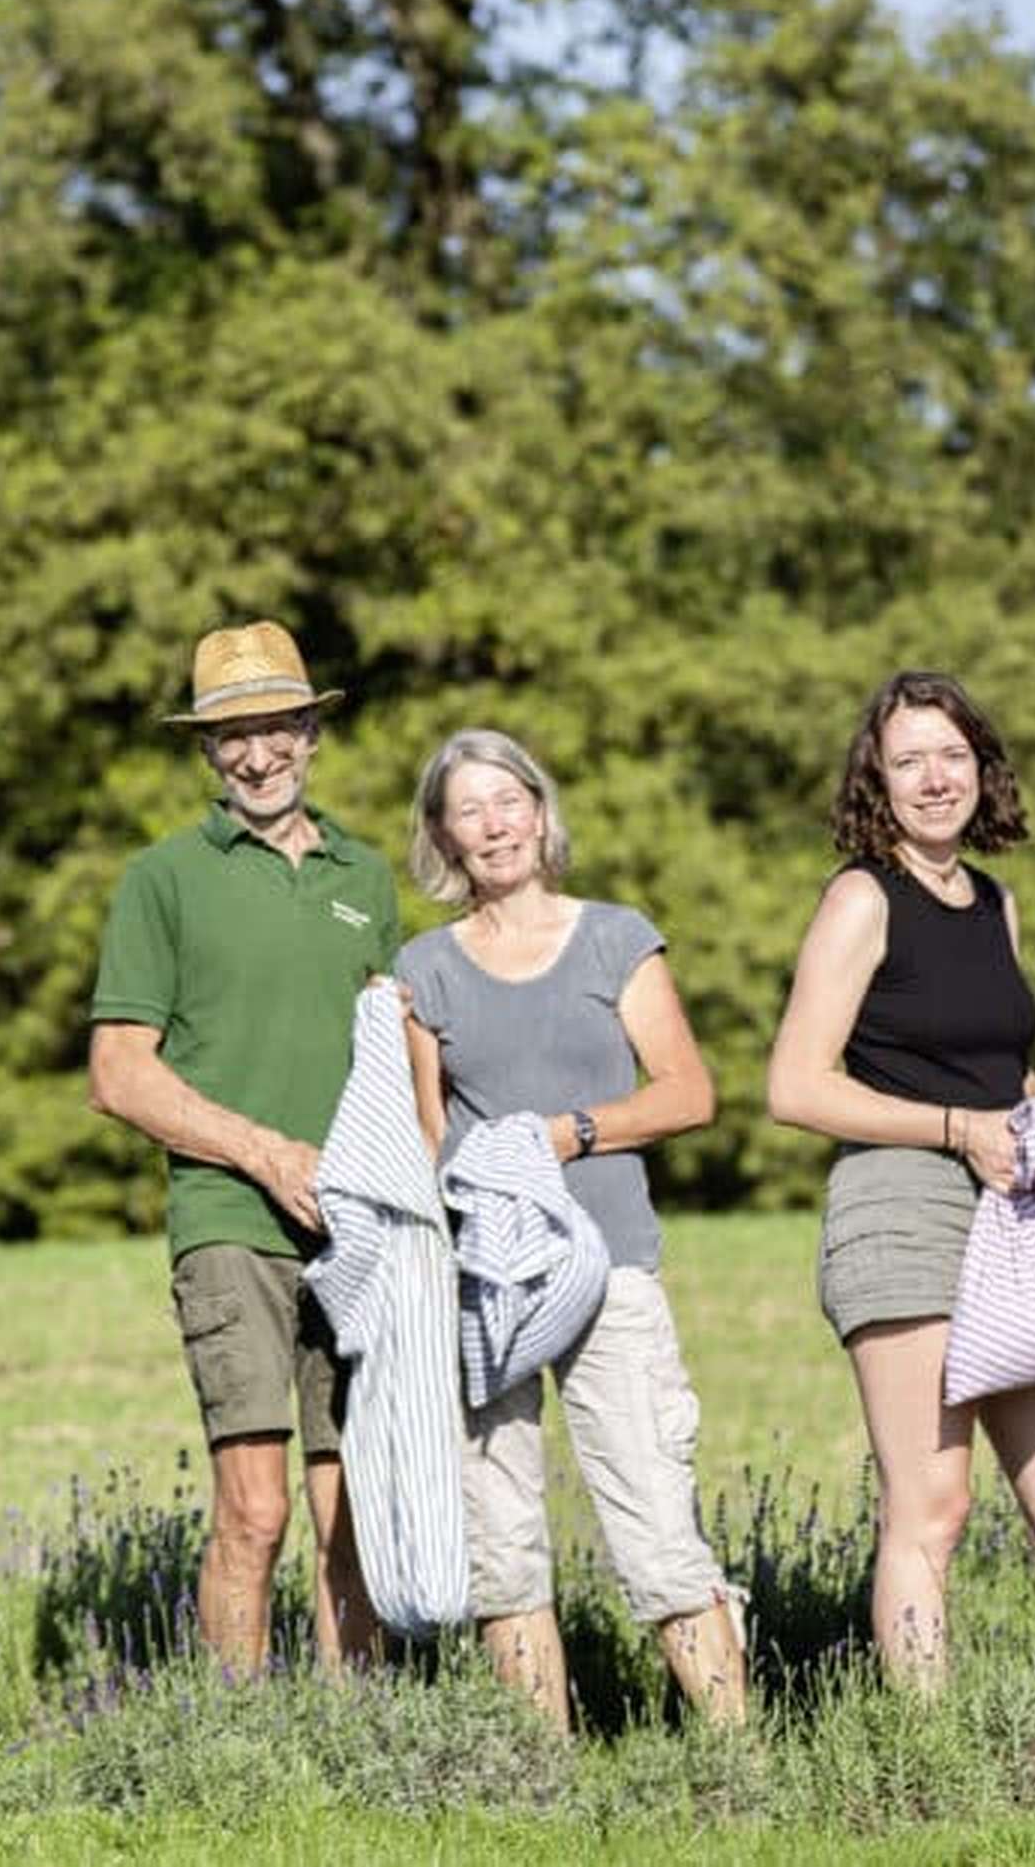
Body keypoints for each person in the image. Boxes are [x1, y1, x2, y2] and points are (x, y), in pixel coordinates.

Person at [766, 671, 1035, 1688]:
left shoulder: (993, 904)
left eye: (953, 756)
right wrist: (958, 1127)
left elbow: (992, 1064)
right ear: (876, 778)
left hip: (1005, 1217)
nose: (935, 779)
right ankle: (934, 1768)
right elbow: (795, 1085)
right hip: (898, 1208)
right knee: (933, 1507)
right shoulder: (860, 896)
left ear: (982, 769)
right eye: (910, 759)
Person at [392, 728, 747, 1730]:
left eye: (509, 799)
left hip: (609, 1267)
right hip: (485, 1286)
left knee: (656, 1526)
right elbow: (428, 1141)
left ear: (542, 812)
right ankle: (539, 1777)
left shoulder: (614, 938)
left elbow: (689, 1094)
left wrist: (568, 1134)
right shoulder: (423, 969)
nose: (494, 823)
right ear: (443, 836)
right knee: (500, 1543)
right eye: (470, 809)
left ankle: (738, 1766)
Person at [87, 618, 391, 1676]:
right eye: (232, 737)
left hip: (359, 1238)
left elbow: (402, 1061)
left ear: (314, 732)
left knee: (356, 1515)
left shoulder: (369, 876)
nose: (258, 755)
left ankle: (363, 1750)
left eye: (278, 728)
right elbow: (118, 1072)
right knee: (256, 1512)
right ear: (206, 753)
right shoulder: (163, 880)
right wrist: (266, 1155)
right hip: (231, 1224)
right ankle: (234, 1755)